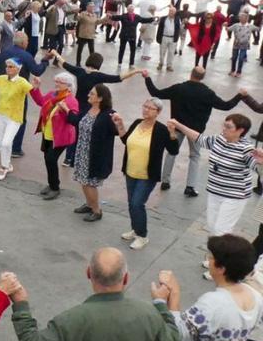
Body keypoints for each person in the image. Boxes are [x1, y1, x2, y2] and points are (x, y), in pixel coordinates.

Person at [10, 247, 182, 341]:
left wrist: (20, 305)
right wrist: (161, 304)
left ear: (88, 273)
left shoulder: (69, 321)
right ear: (126, 278)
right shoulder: (148, 315)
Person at [159, 235, 263, 341]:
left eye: (212, 257)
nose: (208, 260)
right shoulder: (255, 297)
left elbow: (176, 333)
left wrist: (169, 296)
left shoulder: (213, 303)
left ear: (221, 268)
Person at [145, 67, 242, 196]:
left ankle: (165, 181)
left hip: (177, 127)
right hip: (196, 132)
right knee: (195, 156)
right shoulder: (208, 93)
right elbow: (226, 106)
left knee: (172, 152)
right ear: (202, 77)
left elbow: (155, 93)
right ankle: (190, 187)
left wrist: (147, 78)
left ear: (191, 74)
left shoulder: (178, 88)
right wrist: (240, 95)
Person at [168, 114, 259, 242]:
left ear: (240, 130)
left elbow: (257, 168)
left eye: (228, 127)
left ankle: (221, 254)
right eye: (224, 125)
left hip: (234, 196)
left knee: (221, 230)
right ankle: (215, 252)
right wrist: (178, 125)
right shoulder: (219, 139)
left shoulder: (246, 149)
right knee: (212, 227)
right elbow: (200, 139)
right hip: (215, 191)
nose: (224, 129)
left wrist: (261, 161)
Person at [111, 98, 180, 250]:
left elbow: (174, 150)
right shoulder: (137, 123)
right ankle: (135, 229)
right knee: (131, 203)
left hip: (147, 175)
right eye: (145, 106)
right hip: (130, 170)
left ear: (158, 112)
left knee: (137, 203)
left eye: (150, 108)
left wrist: (172, 133)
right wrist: (120, 125)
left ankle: (142, 236)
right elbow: (126, 140)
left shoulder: (161, 130)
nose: (146, 110)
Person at [67, 84, 119, 222]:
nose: (88, 95)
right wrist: (66, 110)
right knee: (83, 181)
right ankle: (89, 204)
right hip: (82, 151)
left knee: (90, 184)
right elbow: (77, 121)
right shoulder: (87, 109)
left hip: (95, 155)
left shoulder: (109, 114)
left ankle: (96, 210)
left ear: (100, 98)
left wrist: (118, 123)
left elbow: (116, 132)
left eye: (92, 94)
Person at [29, 72, 78, 200]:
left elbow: (73, 120)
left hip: (61, 137)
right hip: (48, 134)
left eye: (60, 82)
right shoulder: (53, 94)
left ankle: (55, 188)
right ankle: (52, 184)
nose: (56, 84)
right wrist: (36, 89)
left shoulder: (71, 100)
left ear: (68, 86)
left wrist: (65, 110)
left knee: (51, 159)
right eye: (56, 81)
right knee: (48, 159)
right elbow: (41, 101)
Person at [107, 4, 156, 69]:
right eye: (129, 9)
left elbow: (144, 20)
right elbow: (116, 17)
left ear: (133, 10)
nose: (131, 10)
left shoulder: (137, 17)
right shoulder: (124, 16)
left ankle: (131, 64)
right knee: (122, 50)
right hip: (124, 35)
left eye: (132, 9)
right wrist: (111, 16)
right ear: (127, 10)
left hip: (132, 36)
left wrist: (152, 19)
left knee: (133, 50)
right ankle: (119, 63)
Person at [227, 12, 259, 77]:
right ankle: (232, 70)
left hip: (244, 45)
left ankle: (239, 72)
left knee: (241, 58)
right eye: (240, 17)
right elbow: (229, 29)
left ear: (246, 19)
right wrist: (225, 25)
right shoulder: (236, 25)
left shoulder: (250, 26)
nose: (240, 18)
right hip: (236, 44)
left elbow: (258, 29)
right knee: (234, 58)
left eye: (242, 17)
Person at [156, 6, 182, 72]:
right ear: (169, 11)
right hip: (164, 37)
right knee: (162, 52)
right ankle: (161, 63)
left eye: (173, 12)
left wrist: (177, 38)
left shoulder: (177, 19)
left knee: (171, 52)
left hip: (173, 38)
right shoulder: (163, 18)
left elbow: (179, 28)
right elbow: (159, 28)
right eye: (170, 11)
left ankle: (169, 66)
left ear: (175, 12)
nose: (171, 13)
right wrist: (158, 38)